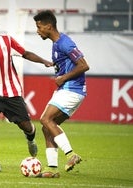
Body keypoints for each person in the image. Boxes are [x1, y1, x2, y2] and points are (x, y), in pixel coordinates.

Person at [0, 12, 53, 173]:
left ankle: (30, 137)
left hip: (12, 92)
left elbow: (25, 53)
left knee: (26, 126)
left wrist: (43, 61)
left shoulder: (6, 41)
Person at [33, 10, 90, 178]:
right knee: (47, 128)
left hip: (72, 89)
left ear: (48, 26)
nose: (37, 31)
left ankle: (71, 154)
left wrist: (63, 77)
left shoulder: (65, 43)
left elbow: (84, 65)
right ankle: (52, 169)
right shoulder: (56, 44)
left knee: (45, 119)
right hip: (68, 89)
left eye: (39, 26)